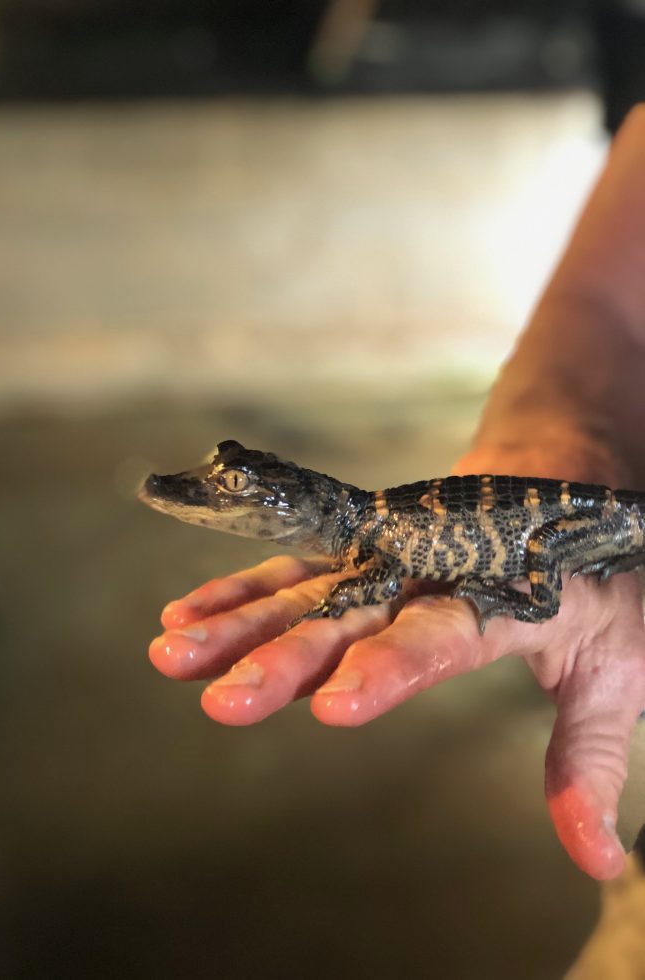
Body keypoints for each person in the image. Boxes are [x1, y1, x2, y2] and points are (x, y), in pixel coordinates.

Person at [149, 104, 645, 883]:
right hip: (603, 513)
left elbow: (379, 577)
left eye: (238, 485)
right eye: (229, 476)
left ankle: (537, 597)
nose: (218, 492)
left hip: (586, 526)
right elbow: (604, 305)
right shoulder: (360, 525)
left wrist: (340, 597)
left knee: (546, 550)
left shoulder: (365, 541)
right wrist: (561, 435)